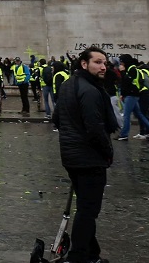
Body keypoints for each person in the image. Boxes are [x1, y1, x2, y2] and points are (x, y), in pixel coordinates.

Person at [52, 46, 118, 263]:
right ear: (84, 63)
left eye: (105, 63)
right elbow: (95, 129)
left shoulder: (67, 85)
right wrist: (108, 153)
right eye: (98, 62)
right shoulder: (90, 91)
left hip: (71, 156)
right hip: (89, 158)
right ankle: (78, 257)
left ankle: (92, 254)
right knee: (88, 211)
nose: (103, 67)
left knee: (85, 207)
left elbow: (57, 119)